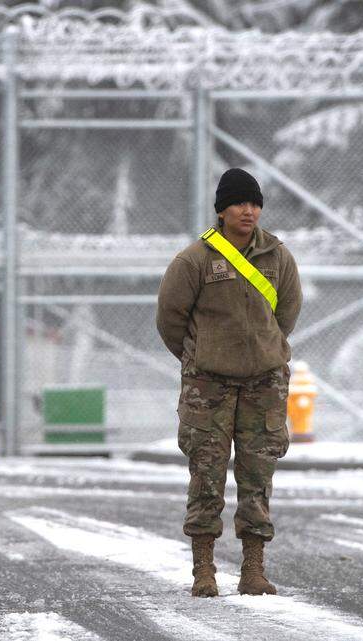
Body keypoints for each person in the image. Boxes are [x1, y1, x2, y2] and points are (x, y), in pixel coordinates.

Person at [156, 167, 302, 597]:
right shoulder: (195, 260)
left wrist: (262, 349)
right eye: (240, 203)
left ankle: (253, 569)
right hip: (209, 387)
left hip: (264, 384)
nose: (249, 211)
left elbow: (287, 314)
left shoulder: (278, 257)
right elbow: (170, 319)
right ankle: (204, 570)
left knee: (258, 475)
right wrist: (200, 357)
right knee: (206, 473)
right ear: (222, 210)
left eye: (255, 203)